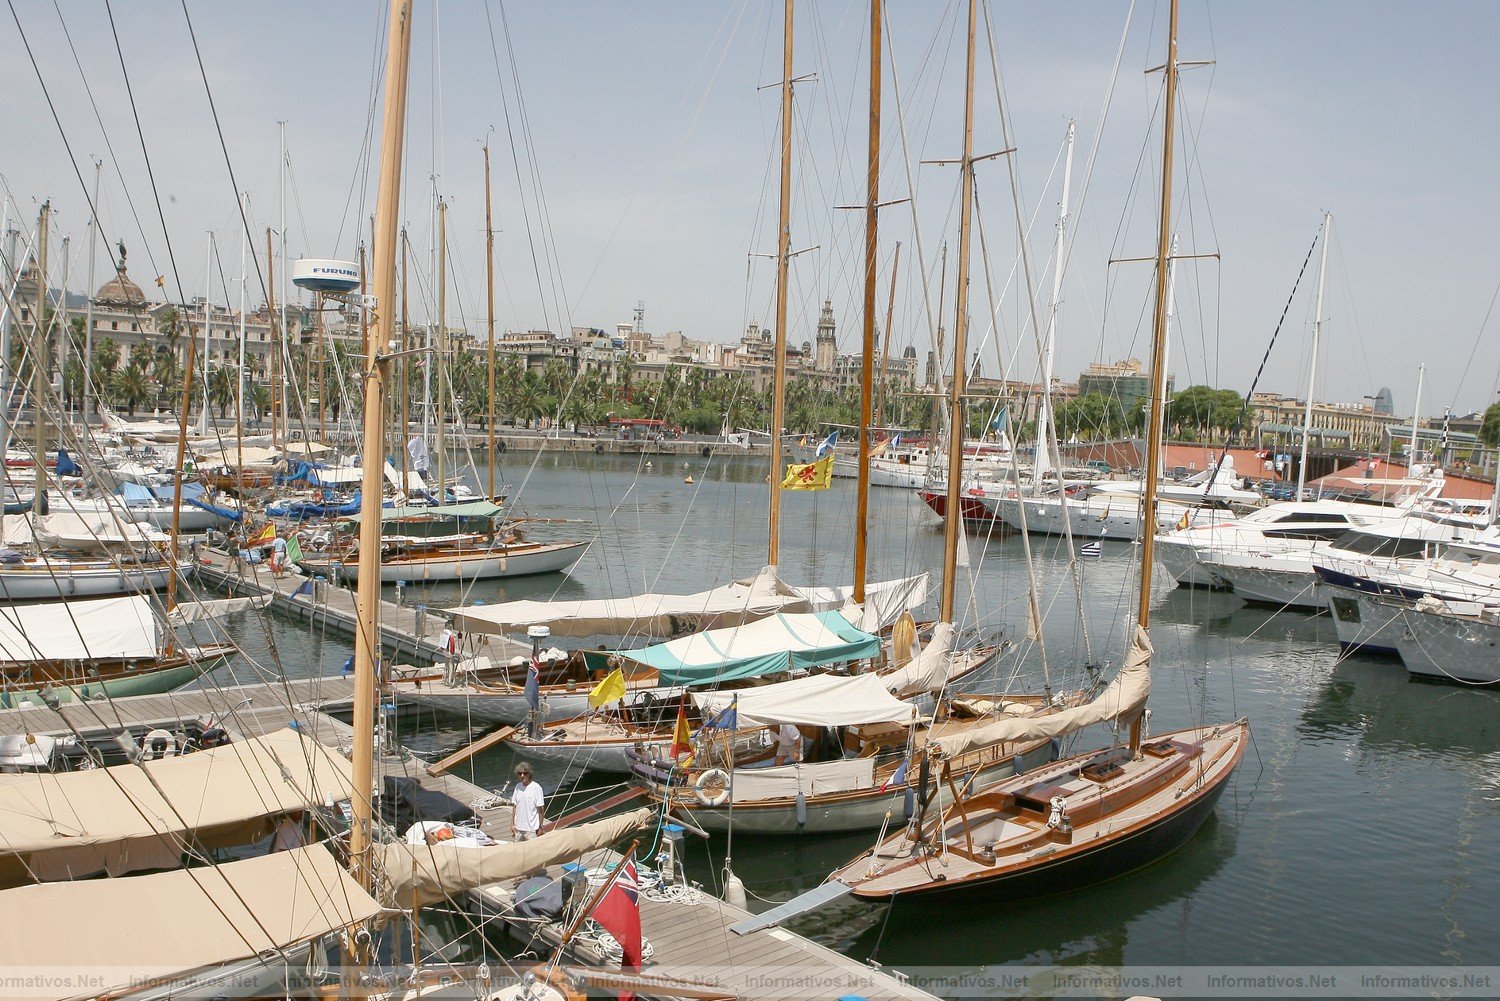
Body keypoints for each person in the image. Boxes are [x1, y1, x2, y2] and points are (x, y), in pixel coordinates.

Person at [511, 763, 545, 841]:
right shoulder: (517, 787)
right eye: (520, 773)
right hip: (518, 829)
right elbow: (515, 807)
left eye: (525, 773)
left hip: (531, 830)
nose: (522, 775)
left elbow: (541, 809)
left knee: (532, 851)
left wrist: (541, 827)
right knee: (518, 850)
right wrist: (512, 825)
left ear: (529, 774)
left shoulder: (536, 788)